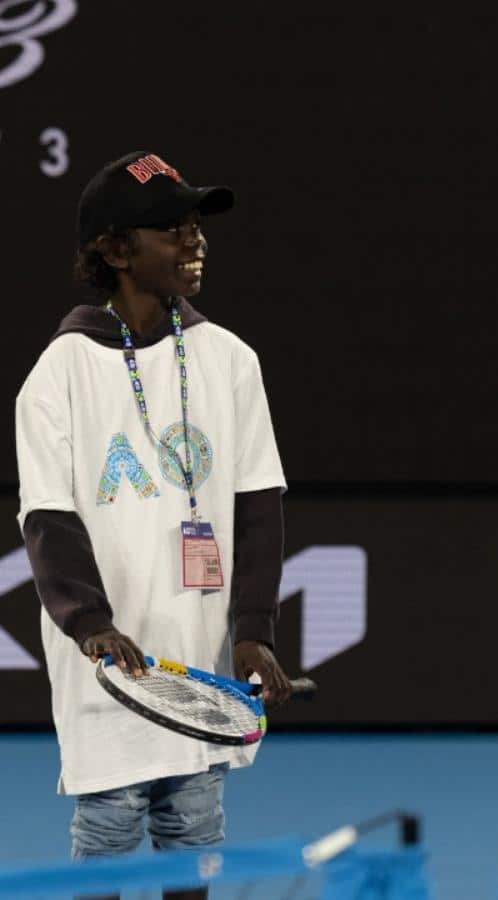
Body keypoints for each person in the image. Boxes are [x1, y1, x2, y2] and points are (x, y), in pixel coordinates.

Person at [15, 151, 292, 899]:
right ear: (114, 249)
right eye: (170, 228)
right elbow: (48, 516)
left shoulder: (231, 360)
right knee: (108, 832)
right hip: (110, 665)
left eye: (196, 225)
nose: (194, 241)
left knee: (195, 833)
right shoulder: (59, 373)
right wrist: (89, 622)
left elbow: (258, 503)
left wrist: (253, 629)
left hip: (195, 653)